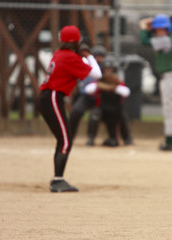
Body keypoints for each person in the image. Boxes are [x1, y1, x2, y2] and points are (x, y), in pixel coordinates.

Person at [37, 25, 102, 192]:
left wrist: (81, 55)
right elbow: (97, 74)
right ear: (78, 41)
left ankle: (58, 179)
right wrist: (88, 55)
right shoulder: (70, 57)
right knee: (65, 140)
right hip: (52, 97)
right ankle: (57, 180)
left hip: (49, 98)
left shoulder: (61, 54)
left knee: (63, 139)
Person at [139, 14, 172, 151]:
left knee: (170, 109)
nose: (158, 31)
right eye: (157, 29)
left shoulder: (165, 40)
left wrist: (143, 27)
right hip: (170, 78)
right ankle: (170, 140)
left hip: (171, 78)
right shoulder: (164, 38)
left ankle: (170, 141)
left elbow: (144, 41)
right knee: (170, 110)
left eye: (161, 28)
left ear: (166, 29)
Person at [85, 55, 132, 147]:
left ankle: (127, 139)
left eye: (110, 69)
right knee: (95, 114)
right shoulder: (99, 81)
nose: (108, 71)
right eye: (106, 69)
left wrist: (113, 87)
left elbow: (126, 92)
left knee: (123, 116)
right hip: (103, 109)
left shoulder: (118, 82)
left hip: (115, 110)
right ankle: (91, 138)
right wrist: (100, 85)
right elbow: (88, 90)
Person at [69, 45, 107, 146]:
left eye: (101, 56)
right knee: (76, 111)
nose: (99, 59)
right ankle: (70, 137)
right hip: (86, 96)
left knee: (94, 115)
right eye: (97, 56)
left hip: (100, 98)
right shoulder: (88, 67)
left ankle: (91, 138)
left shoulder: (107, 68)